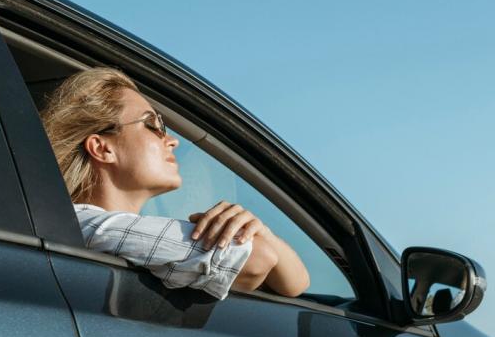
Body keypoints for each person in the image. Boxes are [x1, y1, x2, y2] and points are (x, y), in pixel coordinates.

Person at [41, 67, 310, 300]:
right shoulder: (88, 225)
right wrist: (251, 240)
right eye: (153, 125)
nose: (171, 140)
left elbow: (296, 284)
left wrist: (259, 229)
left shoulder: (130, 237)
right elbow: (257, 260)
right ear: (102, 148)